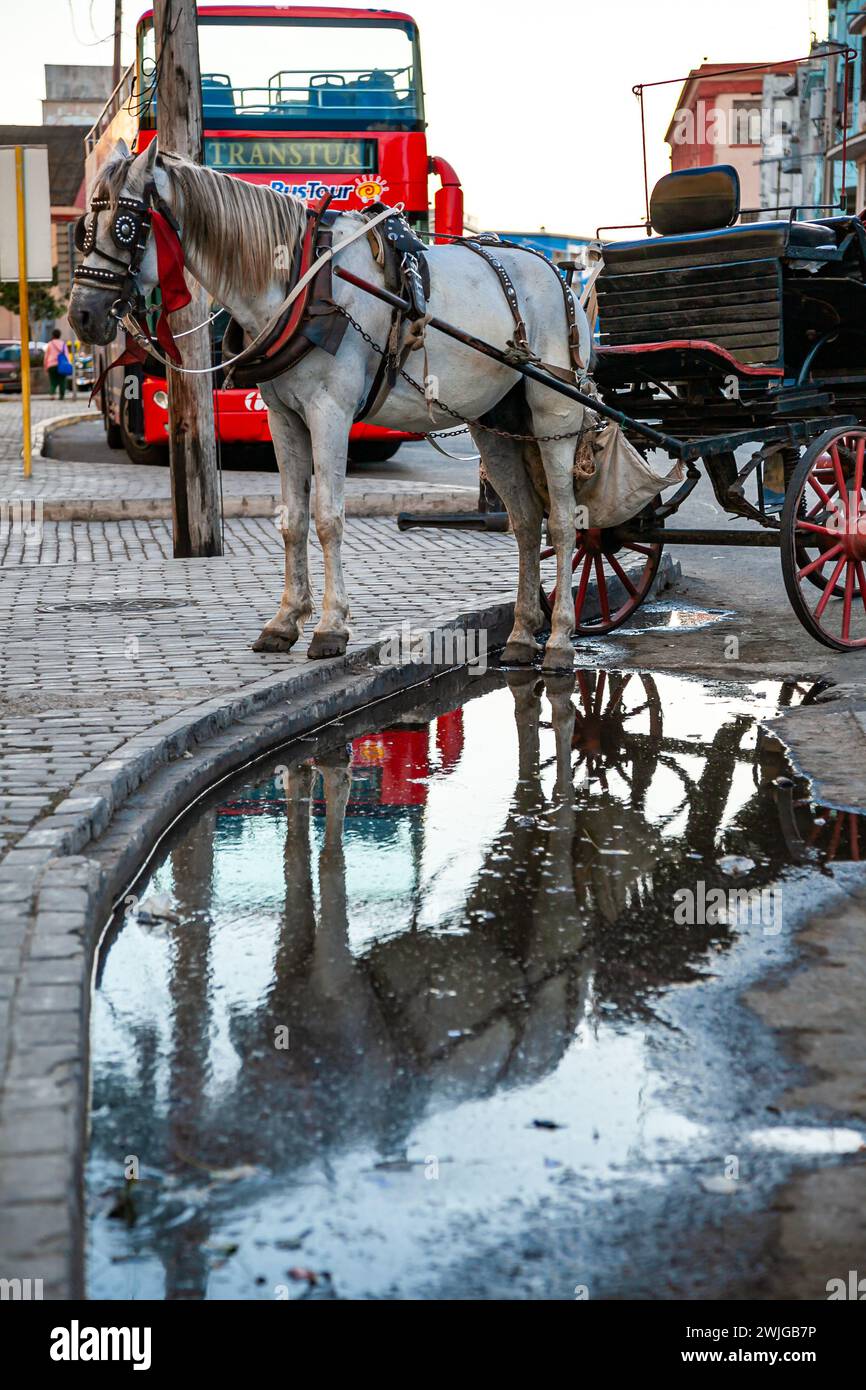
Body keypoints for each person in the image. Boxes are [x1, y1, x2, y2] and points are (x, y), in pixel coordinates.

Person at [43, 330, 70, 400]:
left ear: (53, 335)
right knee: (62, 381)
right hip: (61, 365)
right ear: (59, 335)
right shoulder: (63, 344)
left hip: (51, 365)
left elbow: (46, 356)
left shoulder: (50, 344)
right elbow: (67, 356)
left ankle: (52, 395)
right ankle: (61, 396)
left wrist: (45, 366)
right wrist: (68, 364)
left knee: (53, 381)